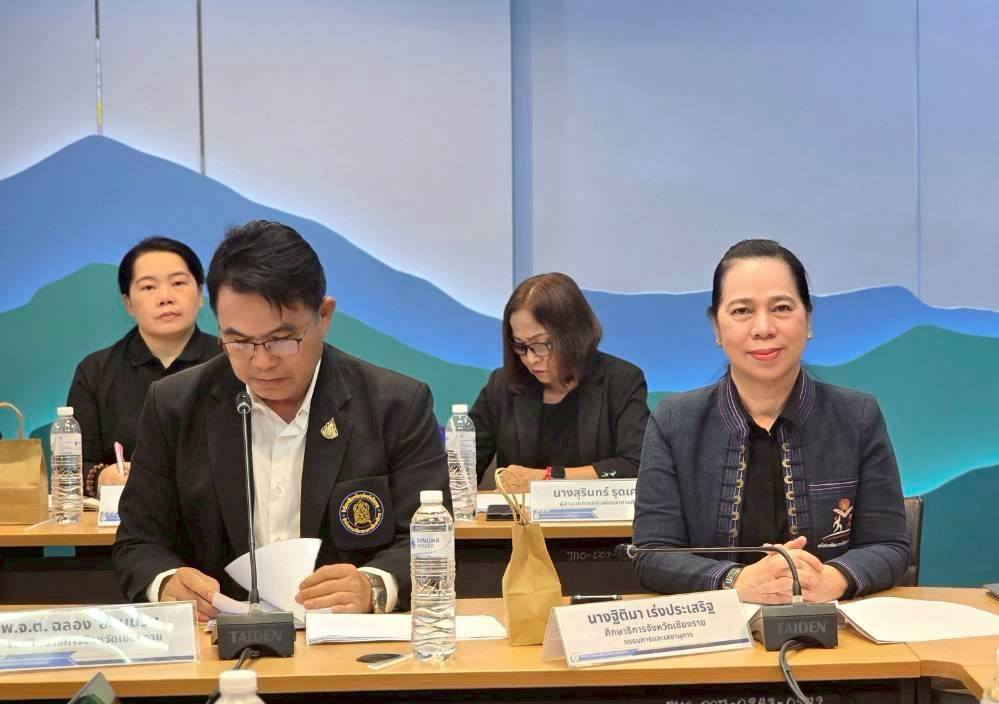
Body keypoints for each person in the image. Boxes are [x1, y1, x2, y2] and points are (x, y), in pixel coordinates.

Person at [113, 221, 448, 620]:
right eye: (239, 342)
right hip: (218, 639)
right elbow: (138, 542)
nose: (262, 361)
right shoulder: (174, 405)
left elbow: (427, 539)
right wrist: (166, 582)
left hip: (346, 643)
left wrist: (373, 586)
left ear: (324, 315)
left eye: (282, 340)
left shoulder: (396, 405)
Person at [633, 239, 909, 603]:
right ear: (716, 328)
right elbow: (652, 553)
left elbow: (889, 545)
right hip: (720, 629)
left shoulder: (857, 416)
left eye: (781, 308)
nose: (763, 327)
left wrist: (833, 578)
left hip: (830, 625)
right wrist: (737, 581)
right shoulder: (674, 422)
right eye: (742, 311)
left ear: (808, 320)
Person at [469, 272, 649, 493]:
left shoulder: (621, 381)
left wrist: (548, 478)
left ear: (574, 334)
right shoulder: (502, 385)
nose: (530, 358)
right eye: (520, 345)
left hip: (599, 515)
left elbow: (636, 465)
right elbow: (461, 467)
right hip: (520, 516)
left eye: (541, 344)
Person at [67, 237, 218, 497]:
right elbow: (73, 467)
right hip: (125, 515)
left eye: (178, 283)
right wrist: (103, 477)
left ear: (200, 293)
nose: (166, 298)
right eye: (148, 287)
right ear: (128, 303)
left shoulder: (232, 361)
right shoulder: (95, 372)